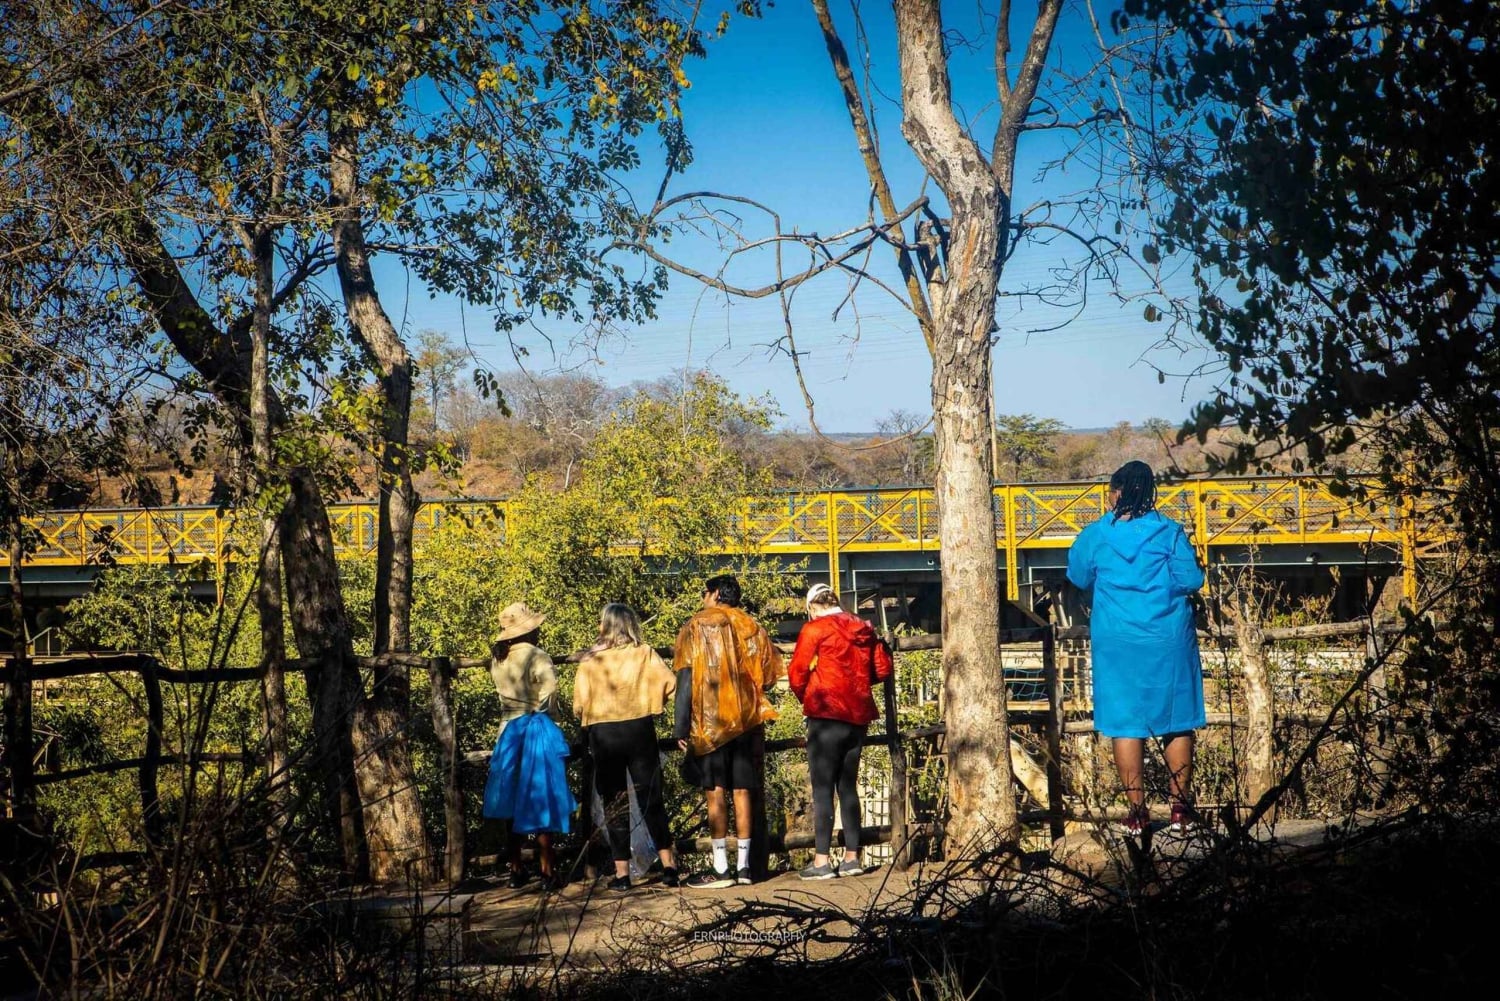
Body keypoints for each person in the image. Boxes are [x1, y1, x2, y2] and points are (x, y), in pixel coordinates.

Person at [1066, 461, 1206, 836]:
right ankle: (1180, 812)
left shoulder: (1095, 535)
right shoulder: (1170, 532)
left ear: (1116, 493)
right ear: (1149, 493)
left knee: (1126, 724)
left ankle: (1136, 814)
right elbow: (1191, 579)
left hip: (1117, 643)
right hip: (1168, 639)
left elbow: (1078, 575)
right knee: (1178, 720)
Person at [673, 574, 783, 889]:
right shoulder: (754, 628)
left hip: (710, 722)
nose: (702, 598)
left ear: (716, 594)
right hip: (747, 722)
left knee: (715, 791)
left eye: (704, 592)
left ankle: (721, 869)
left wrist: (681, 725)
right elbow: (770, 675)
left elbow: (685, 678)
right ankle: (745, 867)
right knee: (743, 790)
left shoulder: (696, 626)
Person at [787, 583, 894, 879]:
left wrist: (807, 696)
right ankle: (851, 858)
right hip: (857, 715)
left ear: (812, 607)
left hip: (826, 714)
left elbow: (796, 673)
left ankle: (821, 862)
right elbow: (882, 670)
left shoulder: (815, 630)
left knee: (822, 790)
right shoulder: (862, 627)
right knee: (848, 787)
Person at [574, 603, 680, 891]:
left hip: (604, 733)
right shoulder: (644, 653)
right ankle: (668, 866)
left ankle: (622, 875)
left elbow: (579, 704)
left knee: (614, 801)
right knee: (651, 798)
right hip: (638, 729)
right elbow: (670, 683)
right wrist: (650, 702)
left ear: (605, 626)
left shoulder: (590, 660)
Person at [483, 601, 575, 888]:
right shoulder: (537, 656)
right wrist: (546, 716)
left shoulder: (499, 659)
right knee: (540, 795)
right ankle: (548, 869)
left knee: (511, 799)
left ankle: (516, 867)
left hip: (508, 730)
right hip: (535, 727)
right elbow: (549, 692)